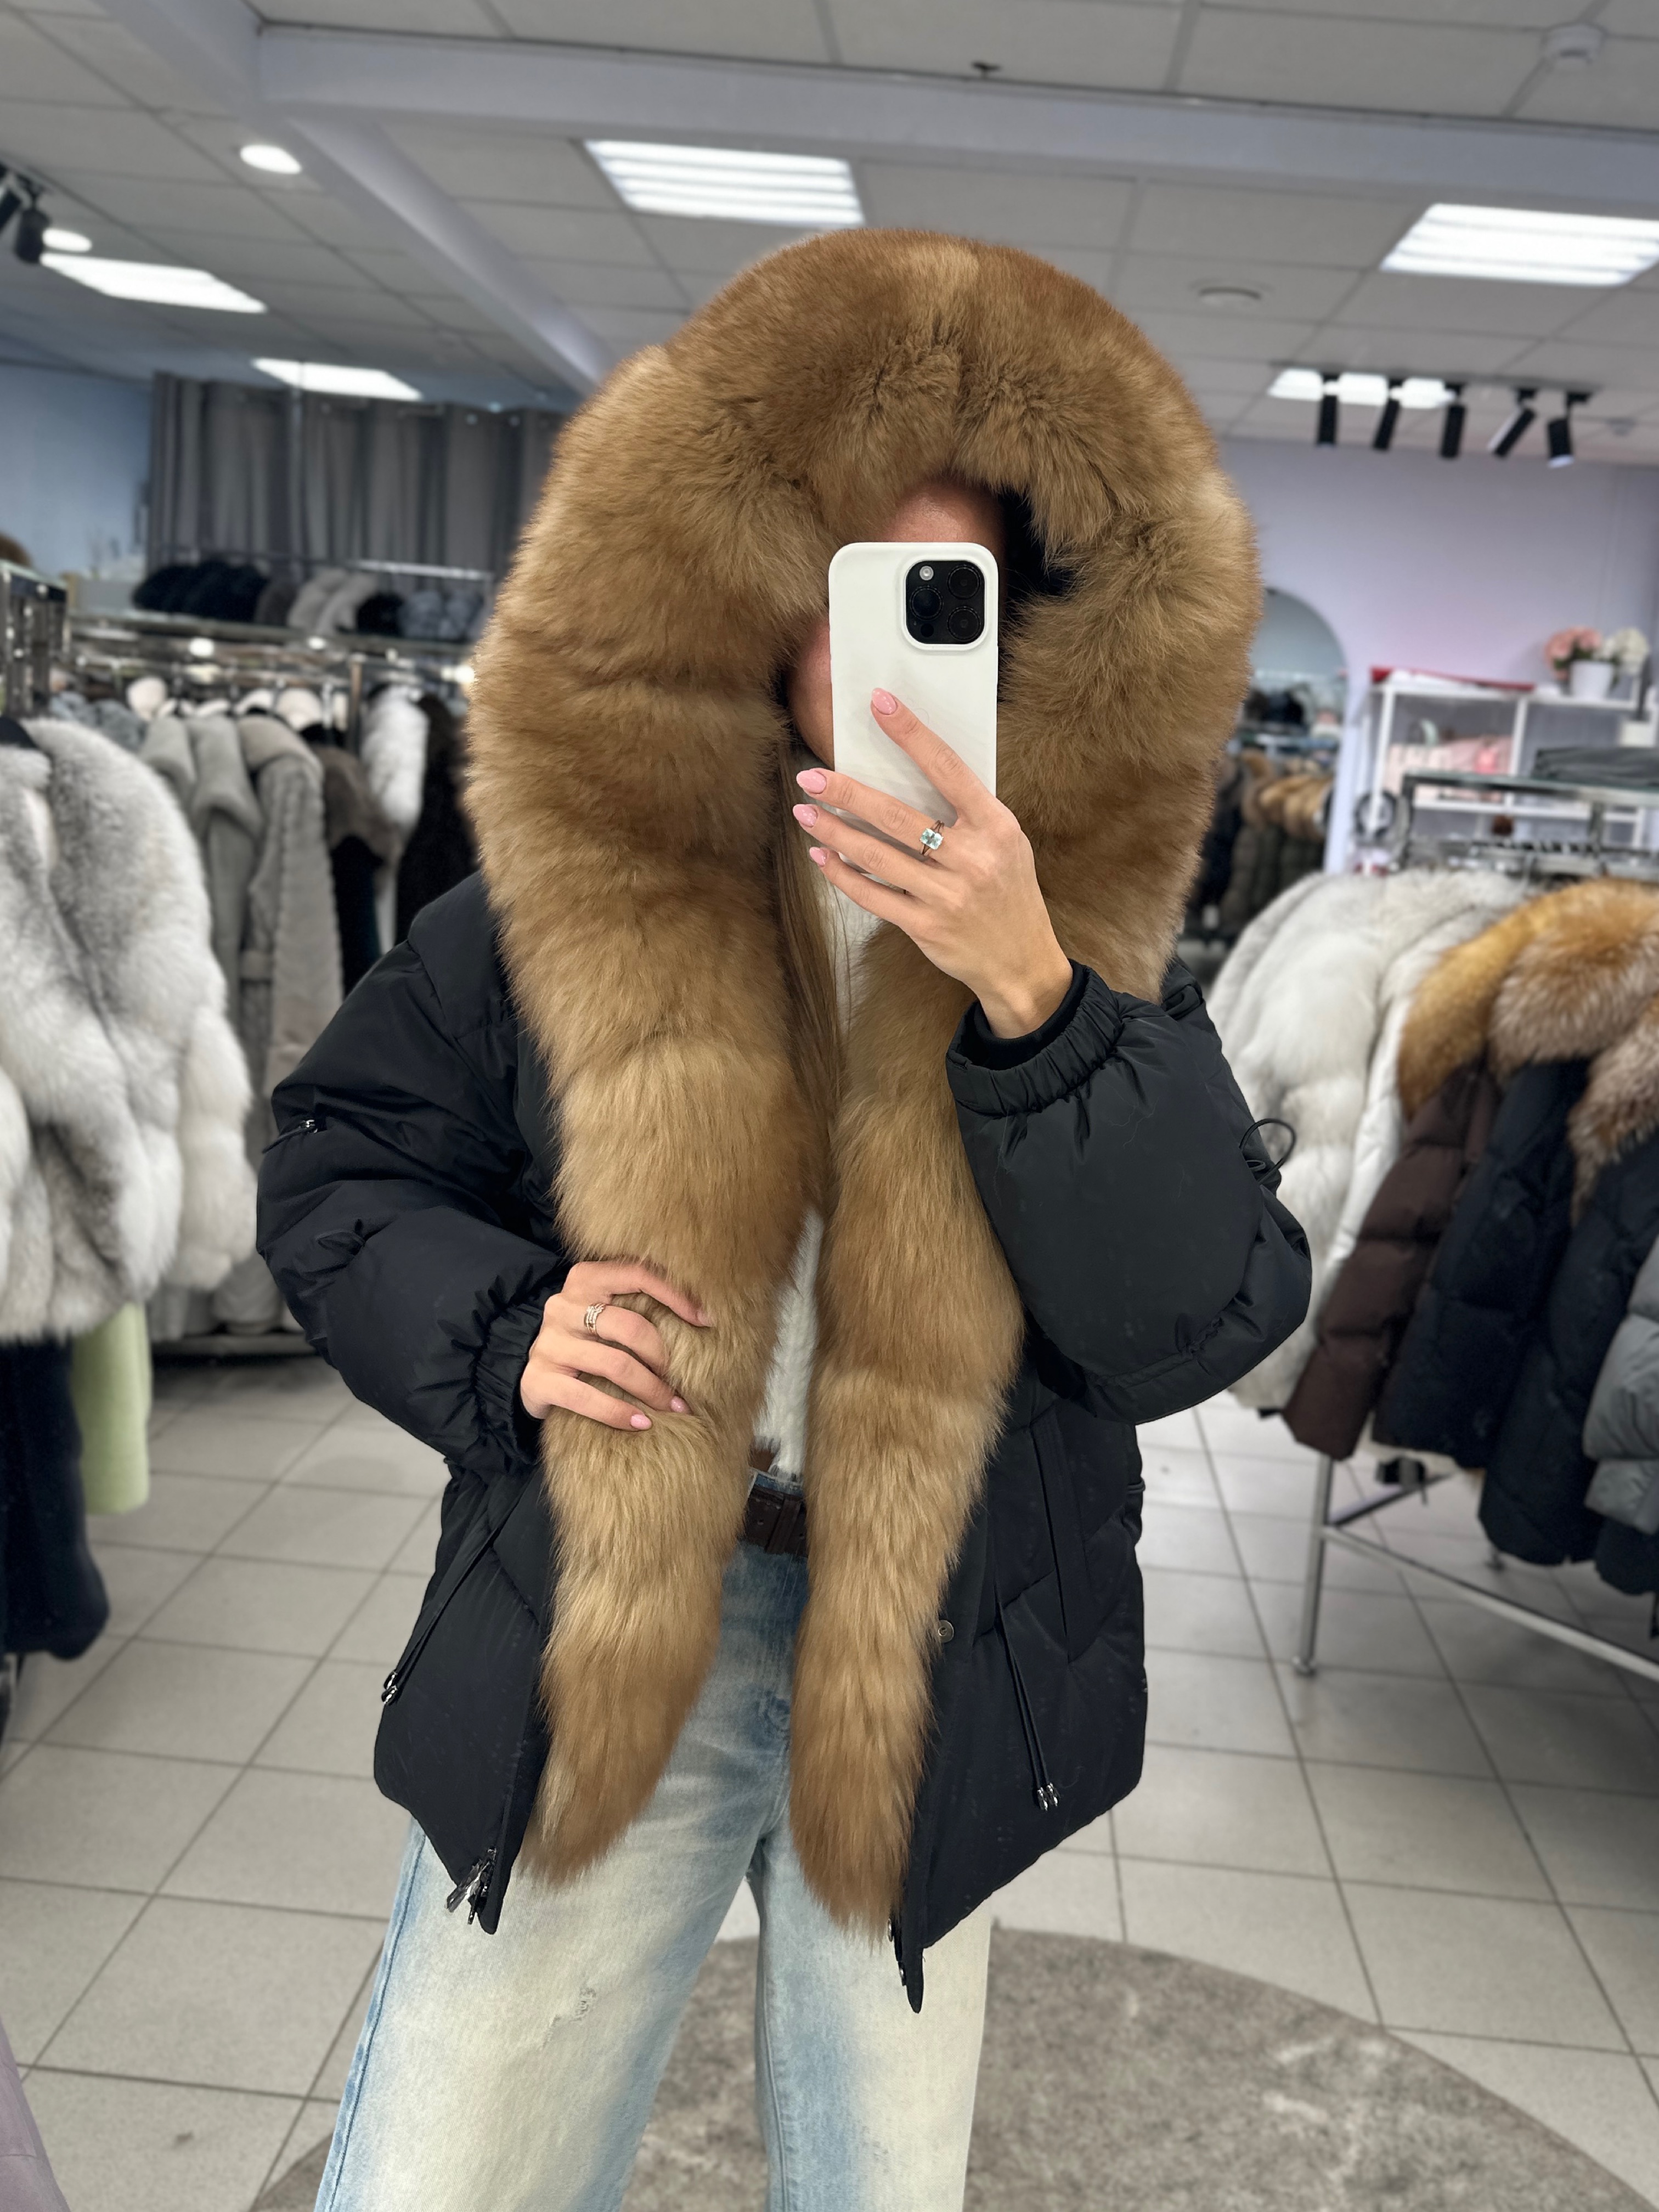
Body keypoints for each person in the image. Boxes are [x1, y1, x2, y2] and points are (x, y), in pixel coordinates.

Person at [259, 228, 1309, 2212]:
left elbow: (1206, 1316)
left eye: (954, 601)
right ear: (756, 596)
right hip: (613, 1610)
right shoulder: (585, 890)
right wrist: (502, 1329)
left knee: (880, 2187)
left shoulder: (1086, 943)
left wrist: (1038, 1000)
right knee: (442, 2178)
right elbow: (339, 1159)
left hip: (932, 1649)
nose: (896, 650)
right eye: (855, 587)